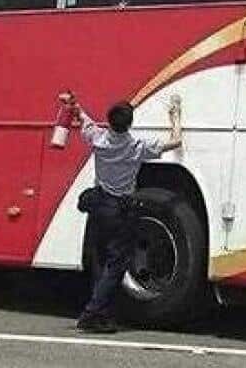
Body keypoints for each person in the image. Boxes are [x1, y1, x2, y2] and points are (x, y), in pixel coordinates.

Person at [73, 96, 184, 333]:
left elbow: (82, 119)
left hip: (99, 206)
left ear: (109, 122)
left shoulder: (98, 140)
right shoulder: (136, 148)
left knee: (101, 262)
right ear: (129, 124)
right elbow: (175, 142)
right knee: (116, 265)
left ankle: (100, 314)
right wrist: (175, 115)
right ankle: (92, 313)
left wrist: (75, 106)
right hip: (121, 211)